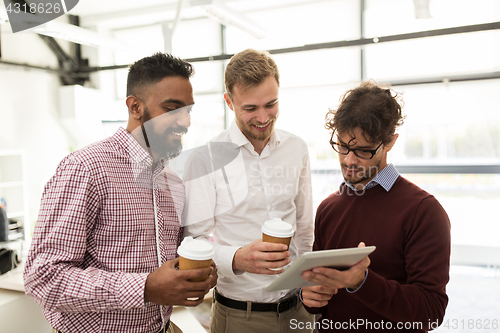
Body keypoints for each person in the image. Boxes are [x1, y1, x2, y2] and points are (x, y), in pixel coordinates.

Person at [23, 53, 217, 333]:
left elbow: (171, 265)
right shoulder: (86, 169)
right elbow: (43, 278)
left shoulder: (173, 183)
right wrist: (145, 287)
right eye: (172, 108)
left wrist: (198, 275)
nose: (185, 122)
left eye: (188, 110)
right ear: (135, 106)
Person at [300, 81, 451, 332]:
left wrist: (363, 282)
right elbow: (320, 301)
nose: (349, 160)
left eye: (363, 151)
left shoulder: (424, 212)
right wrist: (310, 298)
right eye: (343, 146)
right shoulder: (327, 209)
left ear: (390, 142)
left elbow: (431, 312)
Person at [182, 49, 315, 332]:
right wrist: (237, 258)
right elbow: (194, 242)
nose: (264, 117)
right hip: (240, 317)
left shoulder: (296, 148)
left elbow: (304, 226)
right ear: (229, 102)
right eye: (251, 108)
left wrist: (311, 283)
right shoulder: (205, 159)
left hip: (298, 312)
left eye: (271, 104)